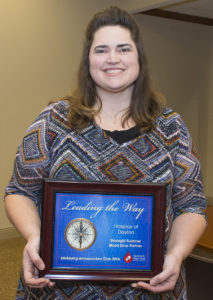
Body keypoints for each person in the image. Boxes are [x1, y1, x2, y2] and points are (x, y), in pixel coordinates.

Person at [4, 6, 207, 300]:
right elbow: (18, 191)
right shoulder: (53, 121)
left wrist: (175, 254)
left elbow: (192, 205)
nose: (113, 59)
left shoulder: (171, 127)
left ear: (139, 57)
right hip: (61, 289)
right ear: (88, 60)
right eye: (102, 50)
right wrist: (36, 237)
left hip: (150, 289)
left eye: (123, 48)